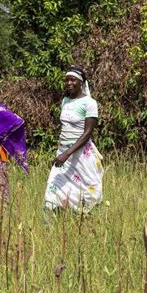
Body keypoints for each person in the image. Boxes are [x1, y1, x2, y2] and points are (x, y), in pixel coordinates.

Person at [44, 66, 104, 213]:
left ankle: (84, 217)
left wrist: (67, 154)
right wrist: (63, 151)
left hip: (81, 154)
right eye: (67, 80)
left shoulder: (89, 103)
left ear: (81, 82)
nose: (69, 83)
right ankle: (49, 226)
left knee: (87, 191)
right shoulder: (65, 101)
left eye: (73, 80)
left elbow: (88, 132)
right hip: (63, 150)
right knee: (52, 190)